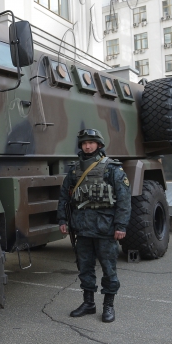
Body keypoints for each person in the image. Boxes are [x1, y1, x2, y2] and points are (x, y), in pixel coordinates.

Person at [57, 130, 131, 324]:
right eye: (84, 143)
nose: (87, 146)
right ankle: (88, 303)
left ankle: (108, 305)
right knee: (85, 267)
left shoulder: (112, 169)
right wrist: (62, 220)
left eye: (91, 143)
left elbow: (124, 200)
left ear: (99, 145)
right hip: (82, 228)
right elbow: (64, 197)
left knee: (108, 268)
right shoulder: (74, 170)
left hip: (105, 228)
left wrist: (121, 225)